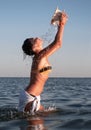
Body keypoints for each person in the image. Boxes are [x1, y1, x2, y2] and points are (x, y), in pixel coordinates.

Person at [18, 11, 68, 114]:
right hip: (31, 97)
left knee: (46, 118)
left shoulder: (40, 56)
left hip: (32, 96)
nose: (37, 37)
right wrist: (62, 25)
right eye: (34, 39)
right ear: (34, 47)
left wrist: (58, 24)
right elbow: (58, 43)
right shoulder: (40, 56)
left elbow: (56, 43)